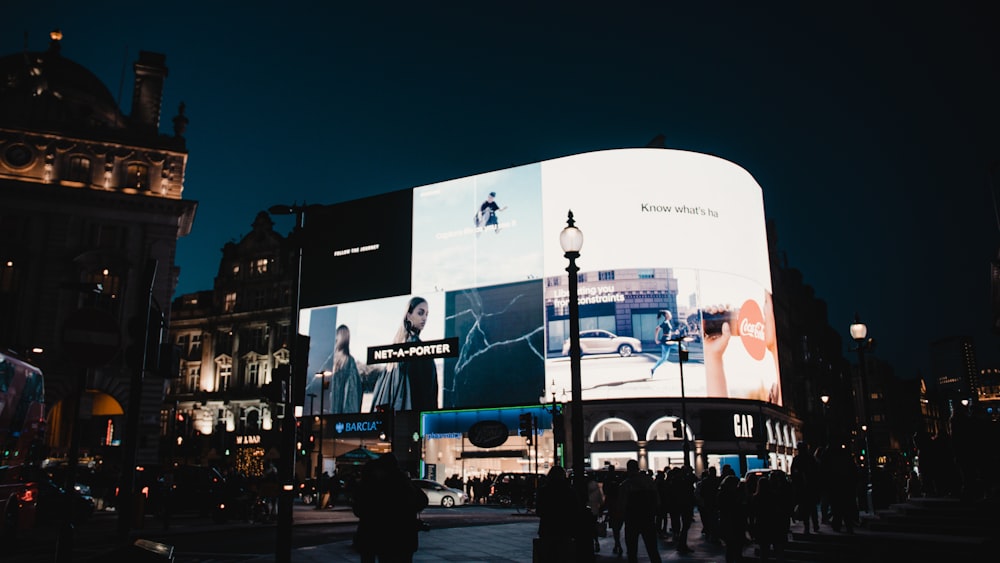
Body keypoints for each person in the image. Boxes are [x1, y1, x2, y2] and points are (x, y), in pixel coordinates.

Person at [352, 452, 429, 563]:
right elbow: (422, 501)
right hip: (404, 534)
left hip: (382, 535)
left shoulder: (375, 485)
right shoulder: (404, 482)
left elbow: (359, 510)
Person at [370, 297, 438, 412]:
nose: (424, 318)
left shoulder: (398, 345)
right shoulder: (415, 346)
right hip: (412, 416)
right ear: (408, 315)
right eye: (420, 313)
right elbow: (424, 392)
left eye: (427, 314)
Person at [617, 459, 662, 563]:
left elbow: (622, 504)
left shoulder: (626, 485)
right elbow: (657, 500)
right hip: (648, 519)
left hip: (632, 519)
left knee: (632, 551)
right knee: (652, 549)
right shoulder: (649, 481)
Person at [534, 465, 581, 563]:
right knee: (563, 556)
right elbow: (575, 510)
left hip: (547, 528)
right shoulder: (569, 491)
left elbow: (539, 511)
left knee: (548, 556)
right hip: (564, 529)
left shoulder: (544, 491)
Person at [329, 324, 362, 414]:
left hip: (341, 412)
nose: (335, 338)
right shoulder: (331, 359)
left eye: (337, 335)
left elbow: (352, 392)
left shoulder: (349, 362)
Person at [790, 442, 821, 534]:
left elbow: (794, 474)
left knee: (806, 508)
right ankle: (814, 525)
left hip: (803, 488)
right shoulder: (811, 459)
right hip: (809, 487)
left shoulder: (798, 459)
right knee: (812, 508)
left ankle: (808, 526)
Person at [716, 474, 749, 563]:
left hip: (727, 523)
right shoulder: (734, 495)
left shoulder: (722, 494)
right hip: (734, 523)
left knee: (730, 547)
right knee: (735, 547)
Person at [601, 465, 625, 555]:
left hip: (612, 508)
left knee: (615, 528)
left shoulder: (607, 479)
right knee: (618, 527)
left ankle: (617, 544)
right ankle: (617, 544)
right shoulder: (618, 479)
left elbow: (605, 492)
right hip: (619, 508)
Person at [650, 310, 675, 376]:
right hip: (666, 341)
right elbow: (657, 329)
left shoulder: (668, 322)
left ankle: (653, 369)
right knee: (681, 346)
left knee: (664, 358)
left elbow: (668, 333)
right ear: (666, 315)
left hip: (666, 340)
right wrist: (656, 339)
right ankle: (684, 360)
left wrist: (674, 333)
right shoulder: (666, 322)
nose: (671, 315)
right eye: (670, 314)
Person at [587, 473, 605, 552]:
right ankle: (596, 541)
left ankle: (589, 543)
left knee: (587, 527)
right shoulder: (597, 487)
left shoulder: (584, 486)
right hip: (594, 510)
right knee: (593, 526)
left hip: (586, 509)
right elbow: (600, 500)